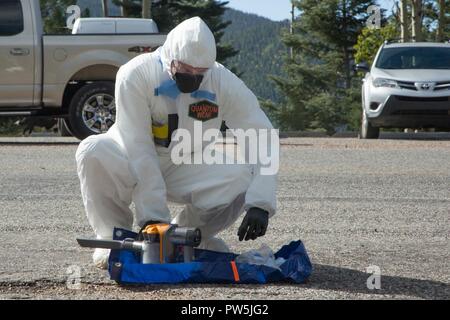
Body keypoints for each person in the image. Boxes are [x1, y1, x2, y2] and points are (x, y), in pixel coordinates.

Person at [75, 17, 278, 269]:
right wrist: (153, 218)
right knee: (93, 150)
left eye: (200, 73)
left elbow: (261, 134)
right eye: (184, 70)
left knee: (241, 177)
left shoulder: (222, 80)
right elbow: (138, 147)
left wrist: (261, 202)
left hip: (186, 159)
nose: (192, 78)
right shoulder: (135, 74)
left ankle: (188, 238)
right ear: (169, 55)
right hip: (129, 156)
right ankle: (114, 237)